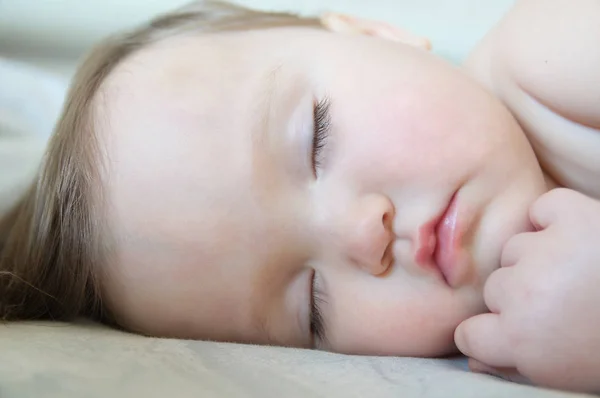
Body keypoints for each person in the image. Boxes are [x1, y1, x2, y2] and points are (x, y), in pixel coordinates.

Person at [1, 0, 598, 392]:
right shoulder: (518, 346)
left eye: (315, 139)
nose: (364, 234)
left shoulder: (547, 64)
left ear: (375, 32)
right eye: (311, 305)